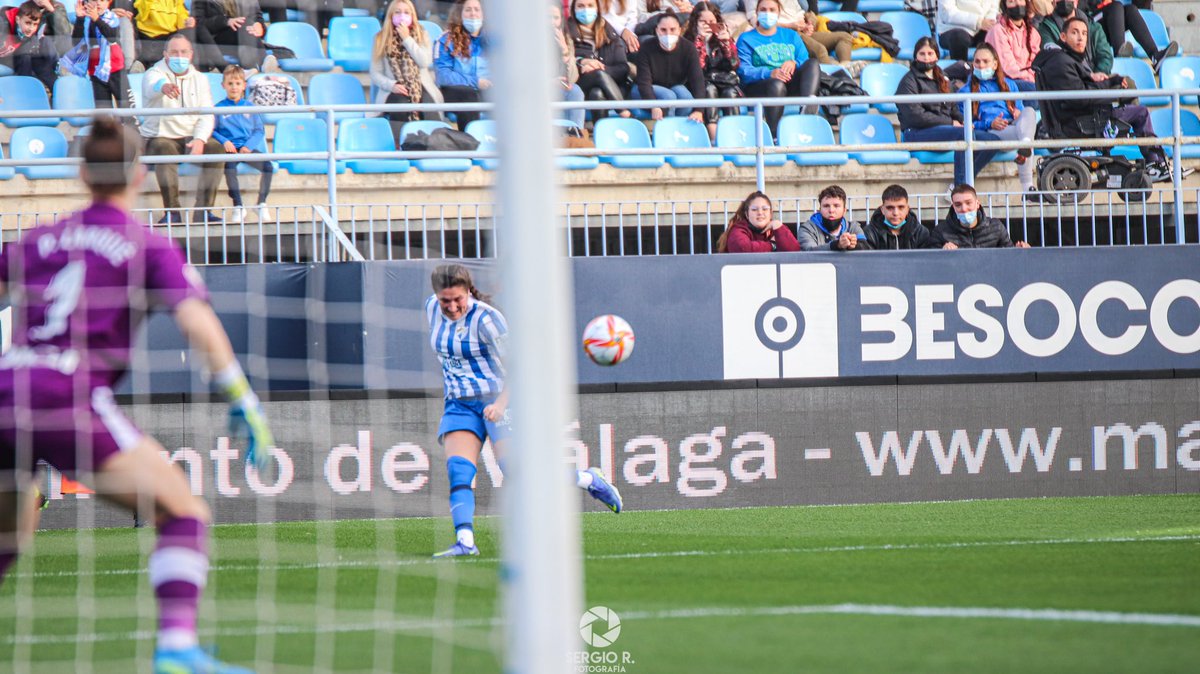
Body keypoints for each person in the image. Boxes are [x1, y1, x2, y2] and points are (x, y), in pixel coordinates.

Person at [0, 117, 273, 674]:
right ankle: (175, 646)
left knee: (10, 536)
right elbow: (198, 323)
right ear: (141, 174)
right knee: (183, 512)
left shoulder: (34, 241)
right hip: (66, 396)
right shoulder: (146, 244)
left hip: (5, 394)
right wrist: (241, 397)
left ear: (80, 173)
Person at [425, 264, 623, 558]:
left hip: (499, 398)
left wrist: (500, 404)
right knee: (459, 471)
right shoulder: (430, 309)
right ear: (436, 297)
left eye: (458, 299)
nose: (452, 307)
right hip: (459, 403)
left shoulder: (488, 319)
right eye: (446, 301)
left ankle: (589, 480)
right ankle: (465, 542)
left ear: (469, 292)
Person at [1033, 17, 1189, 183]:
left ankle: (1157, 161)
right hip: (1081, 123)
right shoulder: (1061, 61)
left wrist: (1108, 81)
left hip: (1083, 117)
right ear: (1063, 37)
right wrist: (1111, 88)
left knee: (1128, 91)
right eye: (1075, 32)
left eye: (1084, 33)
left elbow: (1081, 87)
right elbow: (1079, 97)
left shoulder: (1067, 59)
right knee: (1140, 113)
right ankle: (1155, 163)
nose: (1080, 38)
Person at [140, 33, 224, 225]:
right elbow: (152, 86)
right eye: (174, 52)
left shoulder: (200, 79)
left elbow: (206, 113)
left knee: (216, 149)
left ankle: (203, 211)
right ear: (165, 54)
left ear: (191, 54)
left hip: (190, 136)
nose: (179, 56)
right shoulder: (153, 73)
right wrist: (164, 87)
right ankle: (172, 212)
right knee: (163, 148)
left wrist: (200, 139)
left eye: (184, 52)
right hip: (160, 136)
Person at [897, 37, 997, 190]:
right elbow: (915, 116)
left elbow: (953, 107)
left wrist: (963, 120)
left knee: (992, 140)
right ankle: (961, 188)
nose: (926, 58)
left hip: (944, 130)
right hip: (916, 133)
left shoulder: (942, 77)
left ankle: (964, 182)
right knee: (963, 134)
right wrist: (950, 123)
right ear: (915, 56)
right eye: (922, 54)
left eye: (930, 53)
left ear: (937, 56)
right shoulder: (908, 81)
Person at [960, 44, 1036, 195]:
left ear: (995, 64)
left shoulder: (1010, 84)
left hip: (1015, 127)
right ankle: (1028, 188)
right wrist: (990, 123)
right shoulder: (965, 91)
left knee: (1029, 110)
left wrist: (1017, 113)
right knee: (1024, 135)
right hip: (993, 133)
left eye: (985, 61)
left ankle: (1025, 144)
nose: (981, 65)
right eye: (977, 62)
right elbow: (966, 124)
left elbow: (1020, 109)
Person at [735, 0, 820, 134]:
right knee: (776, 85)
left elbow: (804, 59)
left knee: (813, 63)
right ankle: (773, 134)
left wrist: (794, 63)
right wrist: (770, 73)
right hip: (760, 85)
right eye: (763, 10)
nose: (767, 13)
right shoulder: (745, 39)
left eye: (772, 10)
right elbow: (744, 71)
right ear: (757, 12)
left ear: (779, 12)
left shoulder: (791, 35)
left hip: (789, 82)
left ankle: (807, 108)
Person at [371, 0, 443, 131]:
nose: (402, 16)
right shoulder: (380, 38)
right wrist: (391, 85)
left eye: (406, 12)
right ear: (391, 15)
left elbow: (424, 61)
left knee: (428, 107)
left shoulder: (422, 34)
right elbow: (375, 73)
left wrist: (407, 39)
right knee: (400, 104)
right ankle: (401, 144)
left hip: (420, 86)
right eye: (397, 12)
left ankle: (432, 145)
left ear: (412, 15)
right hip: (394, 88)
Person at [213, 66, 272, 225]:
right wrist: (224, 141)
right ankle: (238, 206)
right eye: (230, 83)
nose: (234, 87)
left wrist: (249, 146)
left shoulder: (250, 107)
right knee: (229, 168)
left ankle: (261, 203)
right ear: (223, 85)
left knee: (268, 166)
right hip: (231, 149)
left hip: (247, 148)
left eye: (237, 83)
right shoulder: (218, 108)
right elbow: (211, 130)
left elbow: (259, 130)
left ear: (244, 85)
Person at [634, 11, 705, 121]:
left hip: (674, 87)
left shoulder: (689, 48)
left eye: (672, 29)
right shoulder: (646, 47)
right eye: (663, 30)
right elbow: (643, 82)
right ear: (657, 30)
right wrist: (653, 105)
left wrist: (698, 111)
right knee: (668, 96)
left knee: (686, 98)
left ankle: (680, 129)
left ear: (679, 30)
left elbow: (697, 80)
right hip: (644, 91)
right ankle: (667, 132)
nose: (668, 34)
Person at [567, 0, 631, 119]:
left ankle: (601, 134)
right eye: (580, 6)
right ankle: (623, 111)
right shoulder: (567, 33)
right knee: (597, 75)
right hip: (581, 85)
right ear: (573, 9)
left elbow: (623, 69)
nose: (585, 10)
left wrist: (601, 68)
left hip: (615, 87)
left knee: (597, 93)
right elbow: (564, 60)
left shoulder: (610, 34)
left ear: (597, 8)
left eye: (590, 5)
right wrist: (581, 62)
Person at [683, 2, 739, 136]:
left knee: (730, 92)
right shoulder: (687, 41)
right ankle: (713, 135)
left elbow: (734, 64)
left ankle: (734, 134)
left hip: (723, 80)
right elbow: (696, 68)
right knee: (709, 89)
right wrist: (700, 41)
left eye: (711, 21)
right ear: (695, 22)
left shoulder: (723, 37)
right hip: (699, 83)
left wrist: (726, 44)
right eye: (703, 21)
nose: (708, 25)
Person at [64, 0, 130, 108]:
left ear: (109, 2)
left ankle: (129, 124)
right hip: (95, 69)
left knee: (126, 106)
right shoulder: (86, 20)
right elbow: (77, 44)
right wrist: (80, 19)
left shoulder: (112, 17)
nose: (98, 3)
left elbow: (112, 37)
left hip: (115, 68)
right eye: (94, 0)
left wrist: (97, 19)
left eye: (102, 0)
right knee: (103, 110)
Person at [435, 0, 489, 130]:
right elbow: (443, 76)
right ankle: (470, 142)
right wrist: (475, 82)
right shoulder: (446, 39)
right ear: (460, 14)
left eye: (477, 9)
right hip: (455, 91)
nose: (473, 14)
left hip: (486, 89)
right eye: (468, 10)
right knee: (468, 94)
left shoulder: (493, 39)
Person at [1083, 0, 1175, 71]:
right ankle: (1119, 54)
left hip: (1103, 23)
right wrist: (1098, 5)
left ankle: (1155, 56)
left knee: (1130, 10)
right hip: (1086, 24)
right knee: (1115, 6)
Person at [934, 183, 1030, 248]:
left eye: (968, 203)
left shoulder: (996, 227)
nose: (964, 208)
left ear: (977, 203)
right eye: (958, 205)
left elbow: (1009, 257)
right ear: (953, 207)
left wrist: (1020, 251)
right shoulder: (941, 231)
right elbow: (931, 263)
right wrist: (943, 254)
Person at [1036, 0, 1112, 76]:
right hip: (1066, 79)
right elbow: (1054, 59)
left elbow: (1105, 58)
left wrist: (1097, 77)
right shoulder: (1045, 28)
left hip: (1095, 80)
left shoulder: (1094, 28)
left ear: (1076, 1)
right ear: (1053, 2)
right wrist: (1088, 77)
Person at [984, 0, 1039, 105]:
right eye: (1011, 1)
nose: (1018, 4)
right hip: (1003, 81)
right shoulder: (998, 31)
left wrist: (1033, 78)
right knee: (1036, 93)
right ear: (1005, 6)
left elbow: (1035, 62)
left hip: (1028, 81)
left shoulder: (1033, 33)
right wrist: (1030, 79)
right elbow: (1008, 67)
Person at [189, 0, 267, 72]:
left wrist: (259, 26)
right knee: (244, 24)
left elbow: (256, 16)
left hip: (245, 35)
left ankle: (252, 69)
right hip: (215, 39)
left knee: (245, 25)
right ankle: (263, 62)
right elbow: (197, 24)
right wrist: (225, 21)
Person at [0, 1, 58, 93]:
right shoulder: (2, 24)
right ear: (17, 19)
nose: (31, 28)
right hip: (3, 60)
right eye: (27, 23)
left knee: (40, 48)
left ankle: (58, 89)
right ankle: (24, 93)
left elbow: (63, 33)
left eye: (35, 24)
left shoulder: (35, 31)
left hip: (15, 56)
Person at [716, 190, 800, 253]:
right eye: (754, 209)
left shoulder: (776, 230)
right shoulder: (738, 230)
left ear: (771, 213)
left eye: (765, 209)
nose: (760, 213)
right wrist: (772, 245)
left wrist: (778, 226)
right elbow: (743, 249)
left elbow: (795, 252)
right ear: (747, 214)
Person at [864, 184, 936, 250]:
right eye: (890, 208)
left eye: (901, 207)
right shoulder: (870, 232)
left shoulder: (920, 232)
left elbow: (925, 260)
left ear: (907, 209)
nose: (895, 213)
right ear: (882, 210)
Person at [550, 0, 587, 128]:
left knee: (575, 91)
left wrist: (565, 51)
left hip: (558, 89)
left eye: (555, 18)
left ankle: (576, 136)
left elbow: (572, 79)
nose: (551, 22)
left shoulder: (566, 40)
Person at [798, 184, 868, 251]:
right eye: (826, 206)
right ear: (819, 210)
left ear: (844, 210)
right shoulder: (807, 228)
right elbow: (809, 253)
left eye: (836, 206)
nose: (831, 210)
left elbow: (865, 248)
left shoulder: (853, 227)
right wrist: (837, 245)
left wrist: (853, 245)